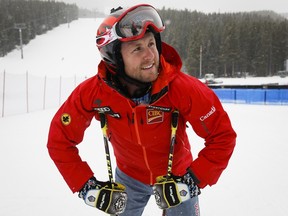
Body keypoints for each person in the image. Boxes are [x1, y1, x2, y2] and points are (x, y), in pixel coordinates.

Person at [47, 4, 236, 216]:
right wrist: (85, 186)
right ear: (115, 58)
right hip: (129, 179)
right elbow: (59, 140)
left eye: (151, 44)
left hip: (177, 176)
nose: (150, 56)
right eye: (137, 48)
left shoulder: (183, 88)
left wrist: (193, 180)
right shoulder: (93, 93)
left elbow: (222, 136)